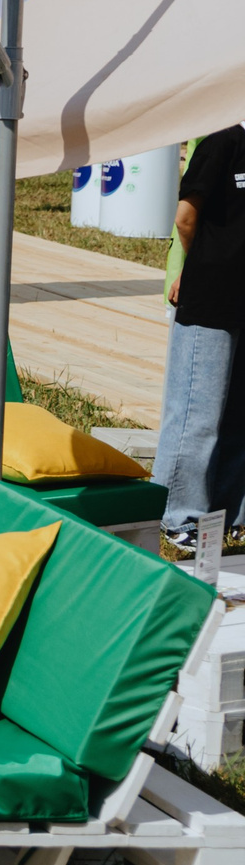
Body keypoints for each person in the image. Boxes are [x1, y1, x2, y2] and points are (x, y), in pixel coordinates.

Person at [159, 124, 245, 554]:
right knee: (198, 413)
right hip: (212, 298)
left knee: (238, 417)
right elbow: (186, 217)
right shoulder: (223, 141)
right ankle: (179, 516)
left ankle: (229, 515)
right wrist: (200, 270)